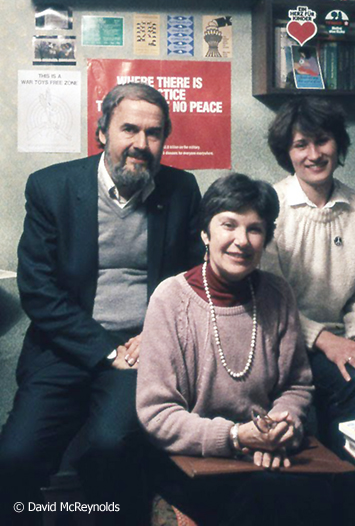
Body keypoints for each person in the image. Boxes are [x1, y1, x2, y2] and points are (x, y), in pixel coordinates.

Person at [0, 83, 203, 525]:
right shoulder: (51, 187)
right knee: (15, 456)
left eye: (153, 133)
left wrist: (151, 338)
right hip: (64, 347)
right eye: (129, 129)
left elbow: (193, 282)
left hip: (142, 350)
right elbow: (38, 288)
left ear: (165, 138)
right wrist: (106, 351)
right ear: (102, 132)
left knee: (111, 446)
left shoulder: (182, 189)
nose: (141, 144)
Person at [137, 173, 339, 525]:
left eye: (255, 229)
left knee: (334, 495)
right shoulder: (170, 299)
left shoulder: (277, 294)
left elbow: (297, 384)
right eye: (228, 225)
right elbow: (157, 414)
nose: (241, 241)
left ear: (266, 239)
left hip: (266, 454)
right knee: (268, 498)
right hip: (195, 461)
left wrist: (281, 425)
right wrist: (234, 437)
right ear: (205, 233)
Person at [261, 98, 355, 455]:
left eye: (322, 141)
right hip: (281, 341)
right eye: (301, 145)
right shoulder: (272, 205)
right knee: (350, 379)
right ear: (288, 152)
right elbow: (269, 300)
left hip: (344, 339)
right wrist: (325, 341)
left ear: (338, 144)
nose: (313, 154)